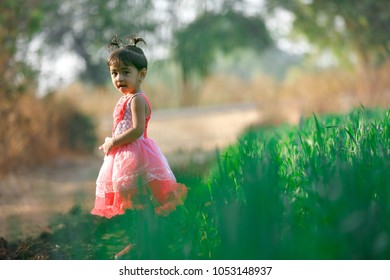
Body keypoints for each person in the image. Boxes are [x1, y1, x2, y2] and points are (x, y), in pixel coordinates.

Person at [91, 35, 188, 259]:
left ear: (141, 74)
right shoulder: (126, 98)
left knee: (143, 201)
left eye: (126, 72)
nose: (119, 78)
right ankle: (144, 240)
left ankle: (148, 240)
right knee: (136, 204)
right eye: (114, 73)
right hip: (125, 156)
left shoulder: (137, 99)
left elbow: (136, 129)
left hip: (136, 156)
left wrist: (112, 142)